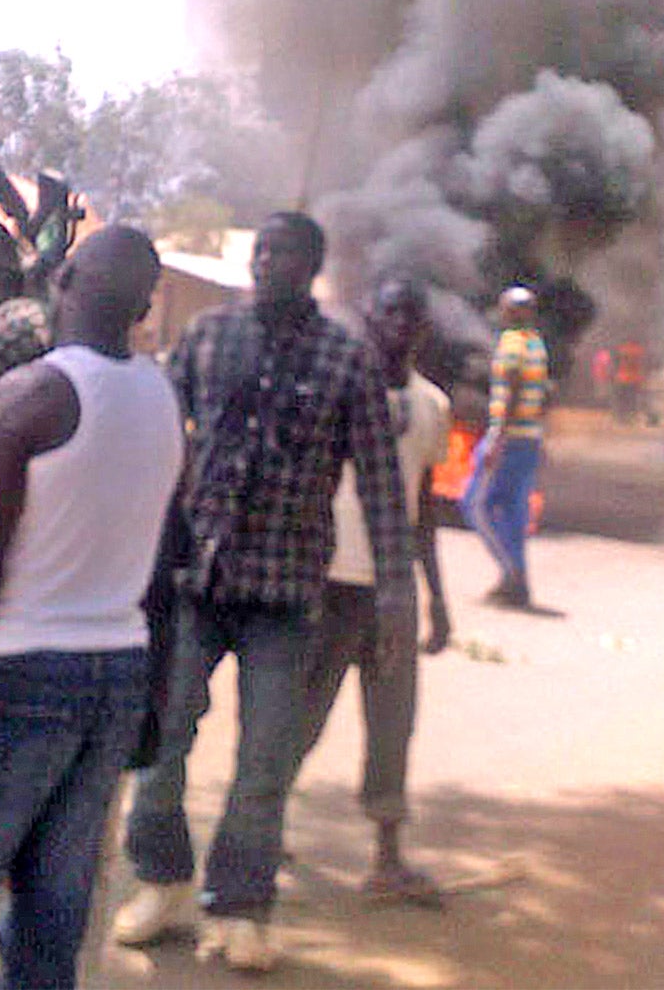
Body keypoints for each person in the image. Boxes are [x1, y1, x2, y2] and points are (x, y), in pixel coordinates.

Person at [0, 226, 184, 990]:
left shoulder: (33, 395)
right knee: (52, 915)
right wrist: (154, 692)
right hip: (114, 673)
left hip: (14, 680)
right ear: (145, 304)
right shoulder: (160, 397)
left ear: (65, 277)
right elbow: (162, 564)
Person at [115, 212, 411, 973]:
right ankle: (163, 880)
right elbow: (157, 430)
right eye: (265, 251)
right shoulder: (210, 338)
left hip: (284, 595)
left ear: (311, 266)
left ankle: (241, 907)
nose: (270, 263)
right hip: (197, 581)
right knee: (163, 736)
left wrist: (394, 604)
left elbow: (382, 488)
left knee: (264, 762)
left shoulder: (348, 361)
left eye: (286, 254)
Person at [285, 278, 454, 907]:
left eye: (412, 317)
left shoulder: (432, 407)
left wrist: (437, 597)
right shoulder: (332, 389)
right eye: (389, 313)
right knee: (300, 717)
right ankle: (263, 829)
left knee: (392, 723)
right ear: (368, 317)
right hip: (328, 582)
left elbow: (423, 507)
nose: (399, 326)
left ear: (423, 331)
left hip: (392, 592)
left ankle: (387, 860)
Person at [462, 286, 549, 609]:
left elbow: (511, 390)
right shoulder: (537, 344)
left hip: (509, 440)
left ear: (511, 312)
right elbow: (541, 395)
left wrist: (497, 437)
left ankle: (513, 574)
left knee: (476, 504)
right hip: (529, 439)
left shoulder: (511, 343)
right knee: (513, 512)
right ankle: (515, 583)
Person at [613, 338, 646, 424]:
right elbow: (643, 365)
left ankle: (621, 417)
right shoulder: (639, 350)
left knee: (622, 399)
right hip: (635, 379)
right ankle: (631, 417)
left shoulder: (621, 350)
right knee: (632, 400)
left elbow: (616, 363)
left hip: (622, 378)